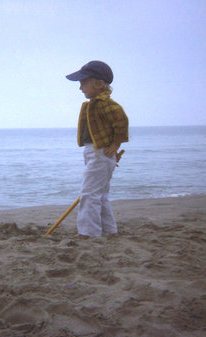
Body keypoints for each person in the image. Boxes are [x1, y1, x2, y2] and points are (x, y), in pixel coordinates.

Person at [66, 60, 129, 237]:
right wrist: (113, 148)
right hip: (95, 151)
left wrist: (116, 144)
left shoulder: (105, 104)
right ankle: (109, 231)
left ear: (99, 84)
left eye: (83, 83)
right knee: (100, 195)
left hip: (99, 153)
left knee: (89, 194)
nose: (80, 88)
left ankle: (89, 233)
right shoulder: (94, 103)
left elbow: (122, 122)